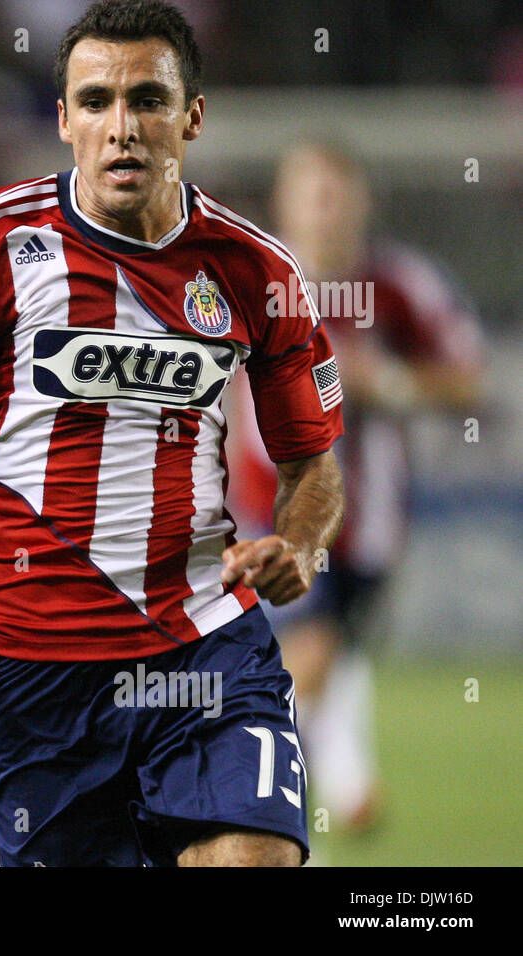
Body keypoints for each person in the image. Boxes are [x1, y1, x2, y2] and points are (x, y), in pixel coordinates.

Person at [0, 0, 345, 867]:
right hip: (38, 678)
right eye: (95, 102)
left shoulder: (257, 271)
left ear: (192, 116)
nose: (121, 129)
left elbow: (315, 462)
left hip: (209, 650)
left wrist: (299, 545)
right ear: (62, 121)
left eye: (147, 100)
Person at [224, 139, 484, 834]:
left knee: (330, 654)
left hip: (370, 524)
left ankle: (325, 784)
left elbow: (470, 380)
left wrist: (389, 383)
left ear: (363, 201)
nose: (323, 207)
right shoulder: (248, 278)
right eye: (309, 190)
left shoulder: (399, 285)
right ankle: (284, 800)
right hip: (263, 510)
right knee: (308, 653)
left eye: (336, 192)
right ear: (284, 201)